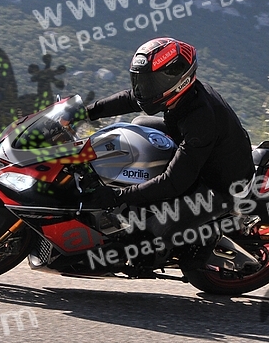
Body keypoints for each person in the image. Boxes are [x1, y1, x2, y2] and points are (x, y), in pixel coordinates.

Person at [84, 37, 255, 217]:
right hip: (198, 153)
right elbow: (129, 99)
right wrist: (84, 113)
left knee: (155, 227)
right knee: (139, 125)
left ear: (177, 79)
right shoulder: (183, 93)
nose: (144, 89)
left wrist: (118, 196)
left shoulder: (200, 120)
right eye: (141, 81)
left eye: (151, 82)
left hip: (223, 186)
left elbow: (174, 182)